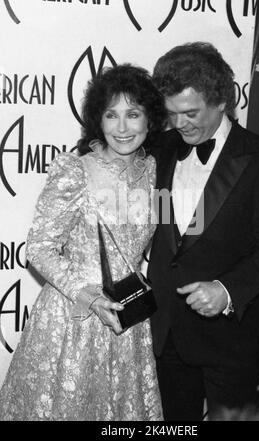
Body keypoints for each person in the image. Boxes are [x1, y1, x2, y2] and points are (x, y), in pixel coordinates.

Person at [0, 64, 167, 421]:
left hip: (129, 317)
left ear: (150, 120)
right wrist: (89, 296)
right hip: (74, 318)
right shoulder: (75, 171)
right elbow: (40, 248)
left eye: (133, 114)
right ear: (98, 120)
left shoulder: (155, 170)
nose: (122, 128)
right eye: (111, 115)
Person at [147, 42, 259, 420]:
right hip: (168, 334)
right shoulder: (162, 147)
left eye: (191, 113)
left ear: (221, 102)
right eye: (172, 114)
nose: (180, 124)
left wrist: (225, 290)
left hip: (230, 338)